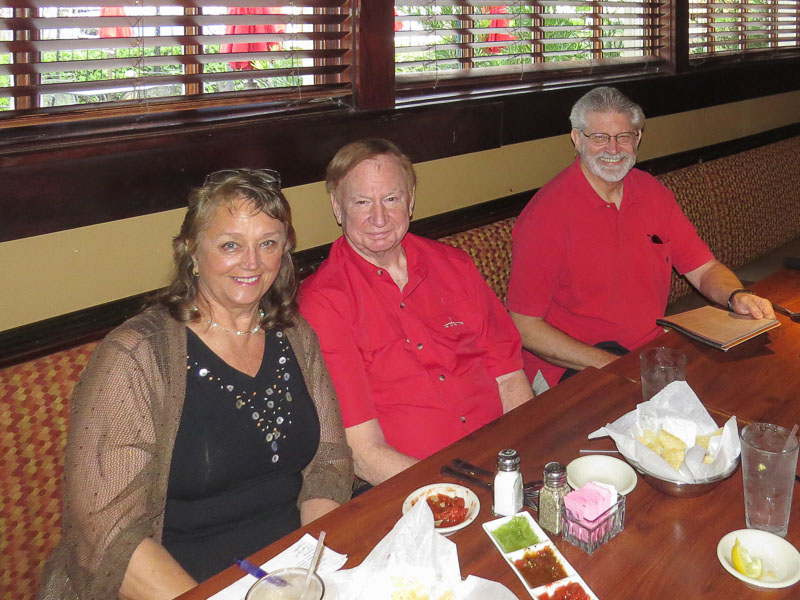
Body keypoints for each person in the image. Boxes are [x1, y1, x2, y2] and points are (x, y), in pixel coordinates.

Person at [38, 169, 353, 600]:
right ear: (191, 252)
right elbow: (106, 536)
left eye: (268, 243)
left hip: (288, 575)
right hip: (178, 586)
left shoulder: (295, 334)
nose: (252, 262)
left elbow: (327, 465)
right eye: (230, 245)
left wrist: (312, 577)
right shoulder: (136, 356)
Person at [507, 86, 775, 393]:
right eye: (599, 137)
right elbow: (524, 326)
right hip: (571, 367)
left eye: (624, 136)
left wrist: (736, 296)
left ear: (638, 139)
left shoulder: (651, 193)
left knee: (750, 388)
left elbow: (703, 269)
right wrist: (613, 365)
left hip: (648, 353)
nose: (613, 148)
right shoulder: (546, 216)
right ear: (577, 139)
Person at [298, 139, 532, 486]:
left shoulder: (455, 266)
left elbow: (510, 379)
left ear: (410, 200)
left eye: (391, 198)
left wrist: (525, 456)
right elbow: (363, 453)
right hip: (417, 483)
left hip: (506, 458)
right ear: (337, 207)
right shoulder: (323, 302)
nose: (379, 217)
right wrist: (462, 492)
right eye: (362, 202)